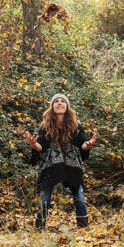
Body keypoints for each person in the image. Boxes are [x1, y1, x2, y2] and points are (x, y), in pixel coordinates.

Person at [24, 93, 97, 229]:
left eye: (62, 101)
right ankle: (39, 229)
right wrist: (33, 144)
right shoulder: (45, 126)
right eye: (56, 101)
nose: (59, 103)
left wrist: (87, 145)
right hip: (50, 165)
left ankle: (83, 228)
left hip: (72, 164)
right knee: (44, 197)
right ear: (52, 107)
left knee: (79, 195)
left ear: (67, 106)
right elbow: (40, 147)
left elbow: (82, 143)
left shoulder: (76, 126)